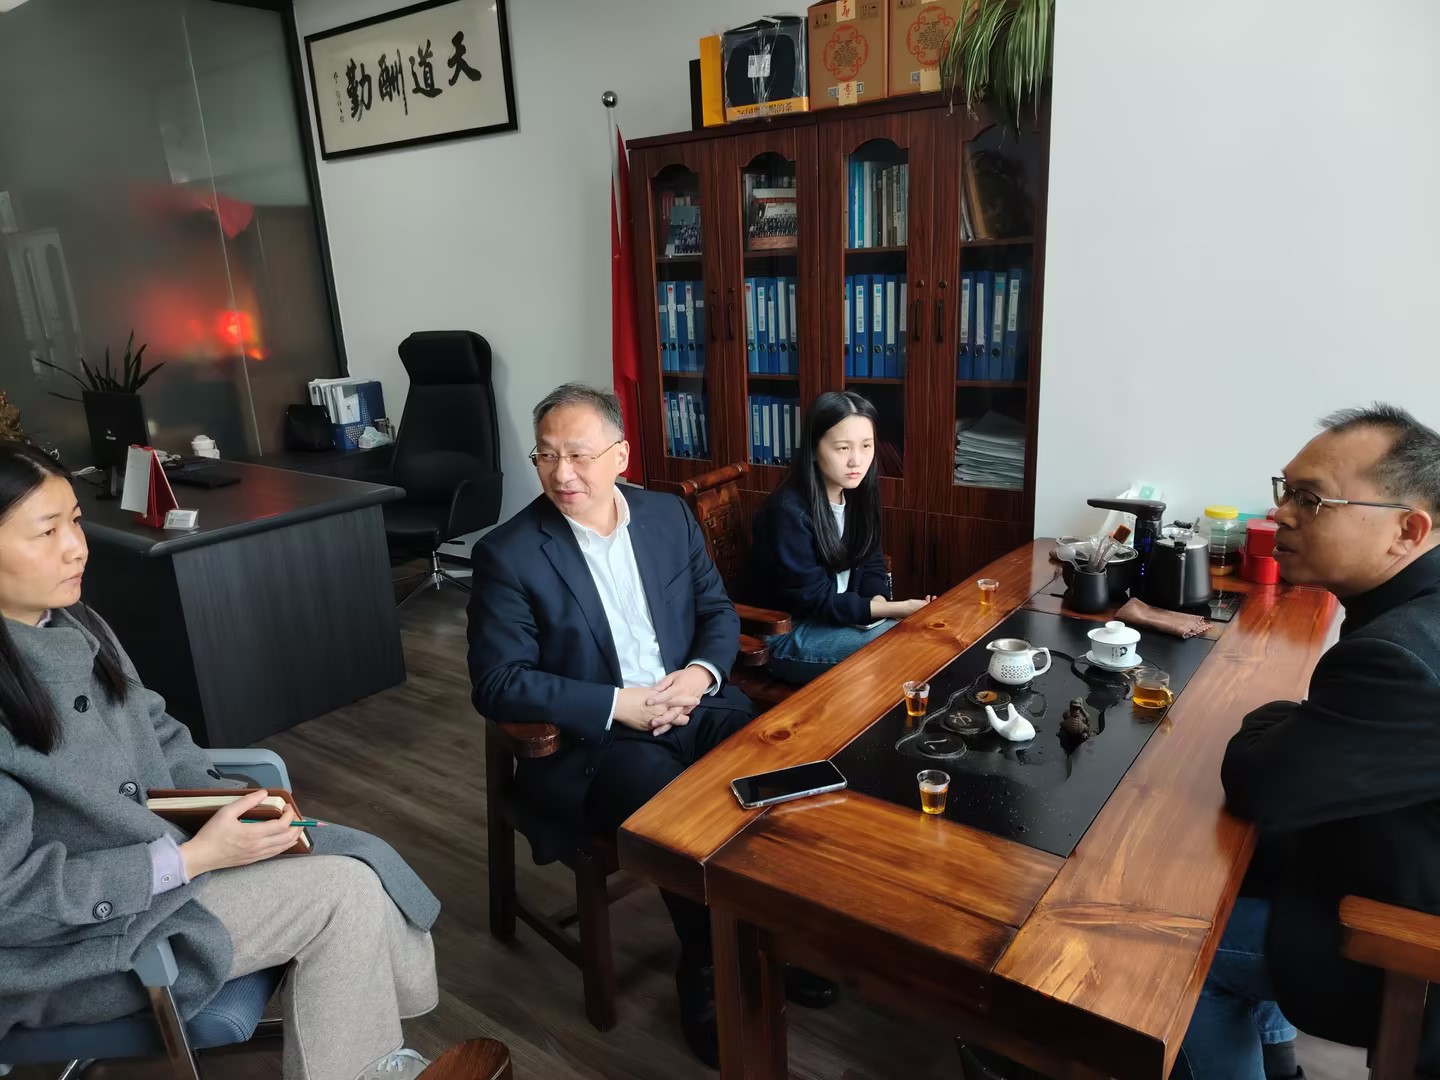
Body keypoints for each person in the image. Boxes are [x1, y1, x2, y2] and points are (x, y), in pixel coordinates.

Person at [0, 441, 441, 1080]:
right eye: (47, 532)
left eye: (74, 520)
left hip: (169, 868)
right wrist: (192, 858)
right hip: (79, 946)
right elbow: (13, 899)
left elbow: (159, 731)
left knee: (355, 855)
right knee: (344, 895)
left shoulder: (77, 623)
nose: (77, 547)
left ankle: (374, 1054)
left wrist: (231, 802)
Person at [466, 383, 835, 1067]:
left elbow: (716, 611)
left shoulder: (666, 515)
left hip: (694, 702)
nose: (561, 473)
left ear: (620, 455)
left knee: (782, 780)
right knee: (680, 814)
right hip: (598, 738)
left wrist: (699, 674)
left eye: (579, 454)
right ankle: (707, 965)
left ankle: (773, 934)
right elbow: (497, 682)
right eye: (546, 455)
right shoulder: (509, 553)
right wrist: (618, 703)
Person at [1176, 404, 1440, 1080]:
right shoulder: (1409, 610)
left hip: (1405, 940)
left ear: (1407, 530)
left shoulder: (1400, 656)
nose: (1281, 514)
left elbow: (1261, 784)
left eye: (1311, 499)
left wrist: (1273, 718)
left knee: (1174, 945)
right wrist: (1295, 724)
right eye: (1286, 490)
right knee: (1226, 868)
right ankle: (1277, 1061)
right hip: (1390, 860)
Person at [748, 391, 933, 684]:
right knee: (906, 646)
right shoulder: (787, 512)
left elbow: (872, 563)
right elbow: (815, 601)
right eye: (843, 448)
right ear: (813, 449)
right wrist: (895, 609)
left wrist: (877, 604)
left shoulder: (858, 495)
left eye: (866, 446)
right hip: (787, 635)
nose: (856, 460)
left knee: (920, 634)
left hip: (839, 620)